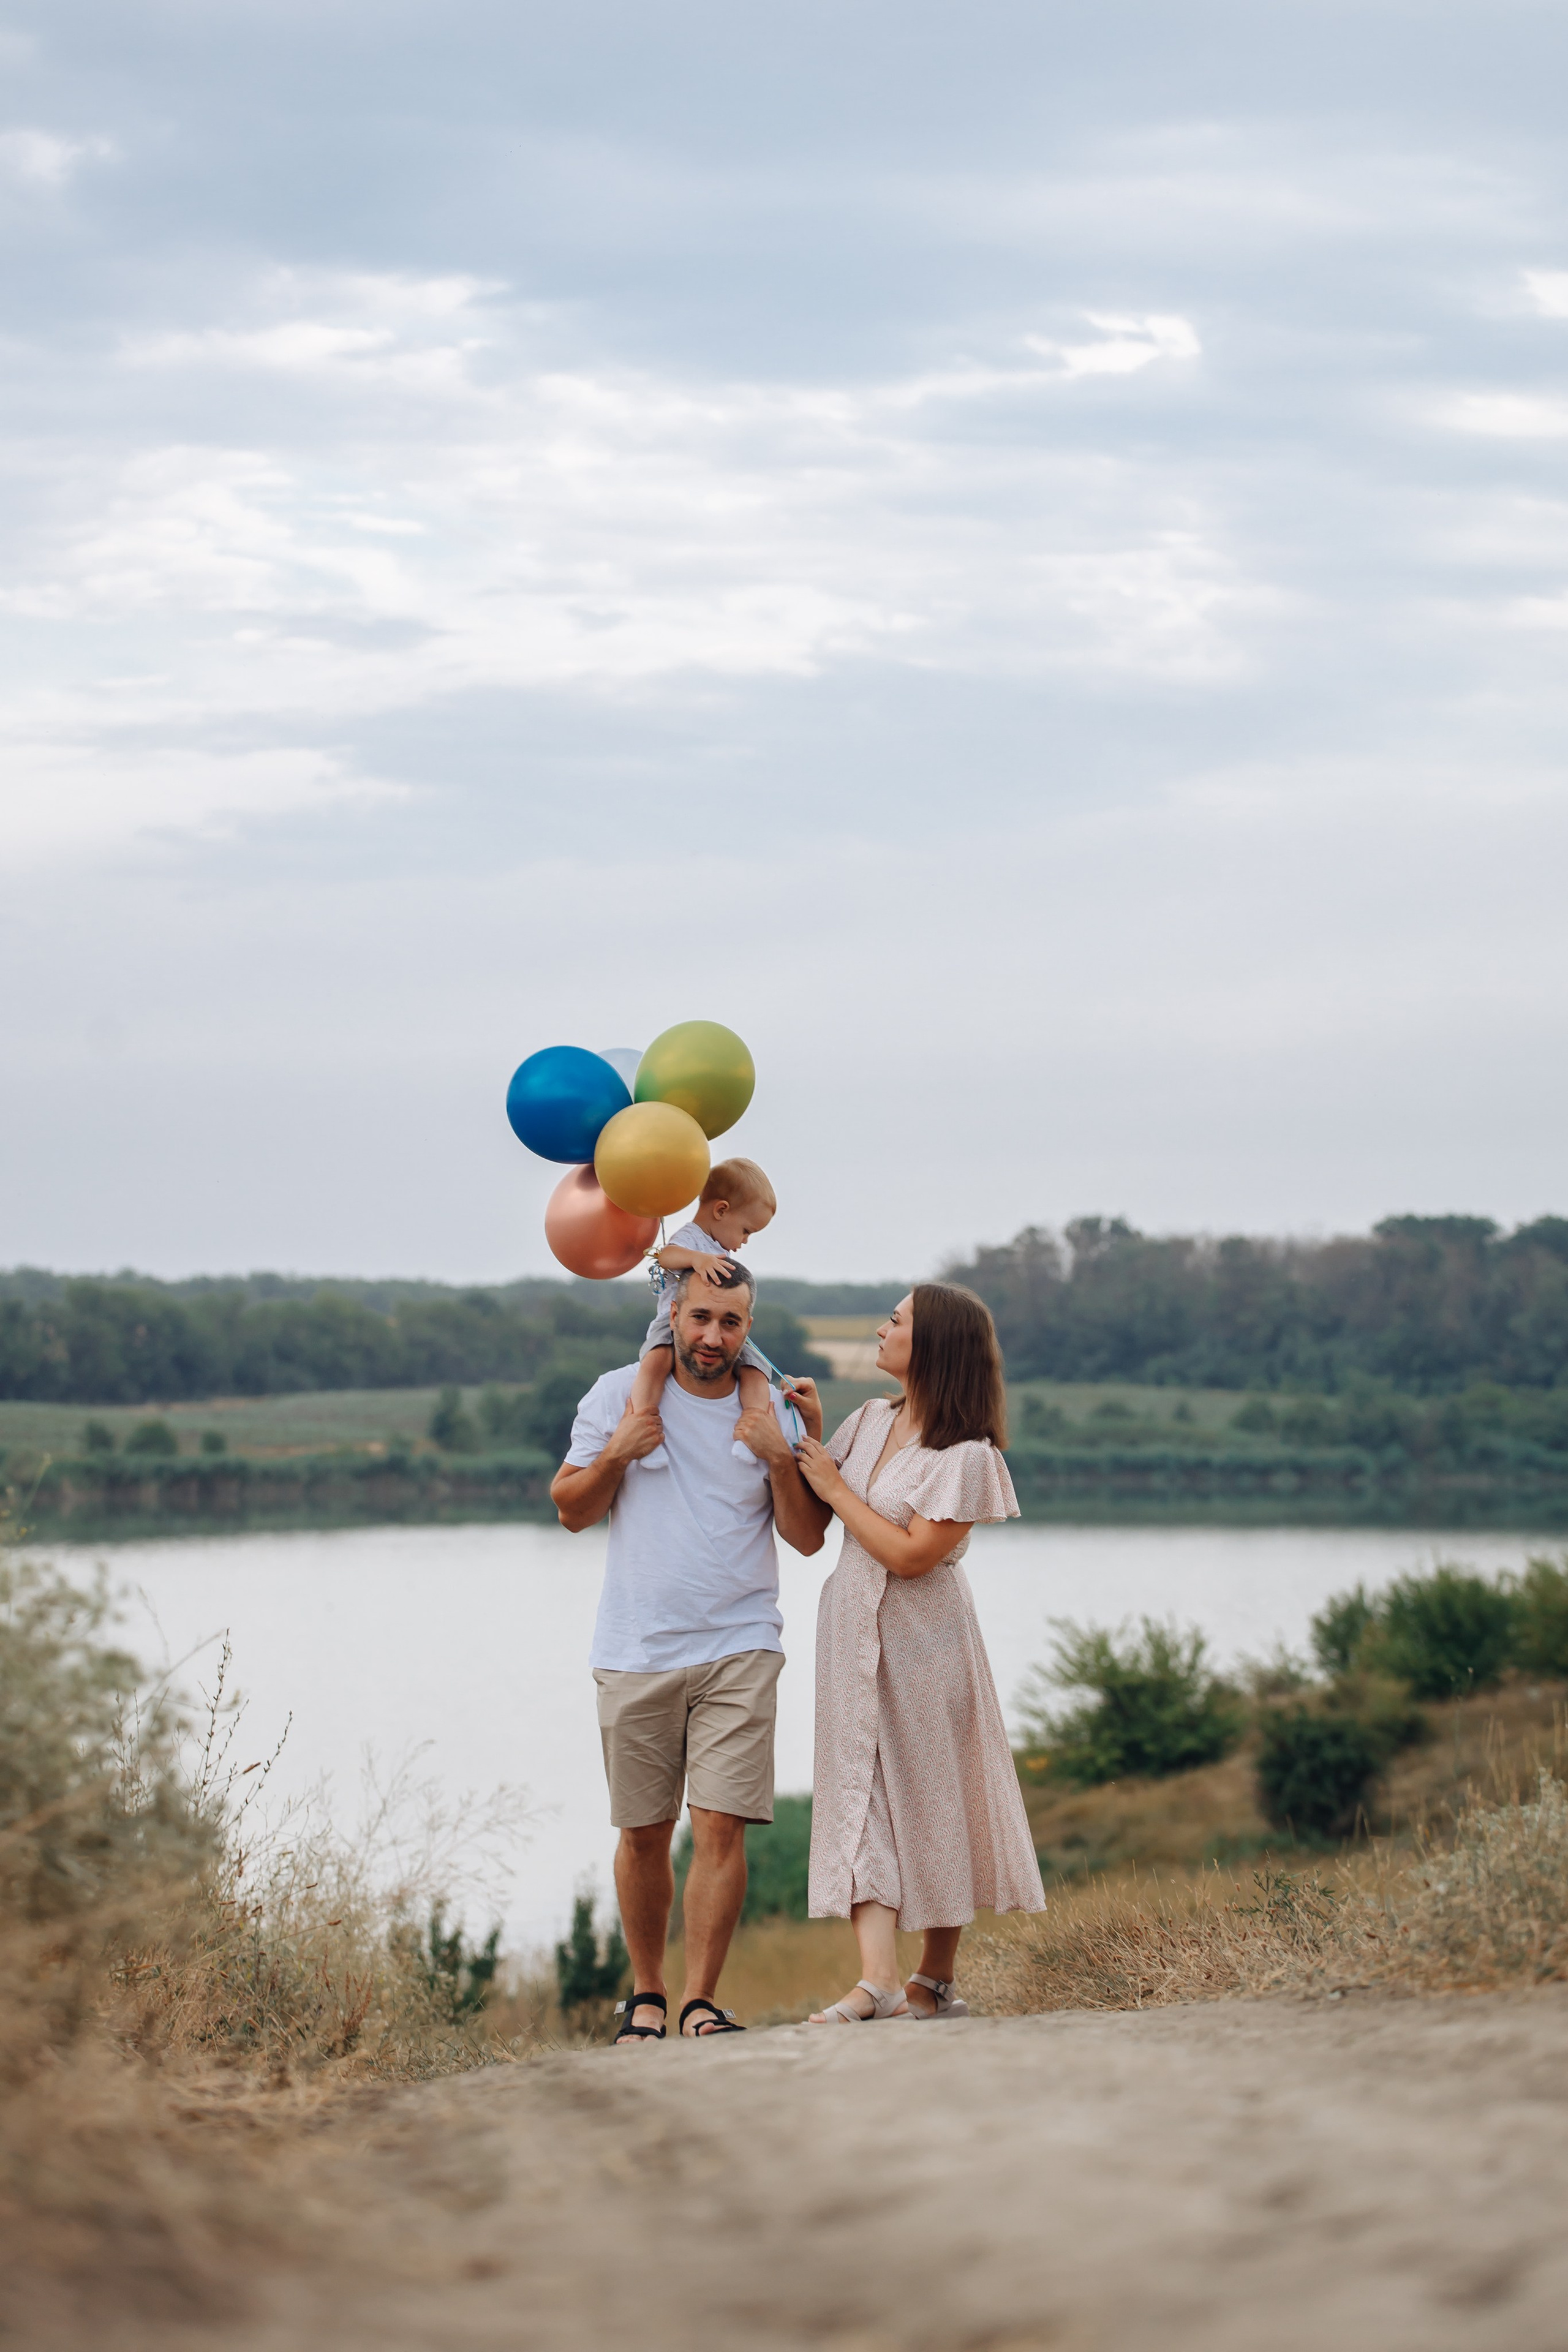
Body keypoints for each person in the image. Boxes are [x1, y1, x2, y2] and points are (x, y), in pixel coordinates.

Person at [551, 1262, 830, 2043]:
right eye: (701, 1318)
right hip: (635, 1646)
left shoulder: (772, 1407)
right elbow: (571, 1512)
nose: (713, 1337)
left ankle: (701, 2000)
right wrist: (616, 1454)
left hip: (741, 1642)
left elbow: (807, 1539)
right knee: (642, 1833)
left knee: (720, 1826)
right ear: (673, 1313)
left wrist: (781, 1454)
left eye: (731, 1324)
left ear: (749, 1330)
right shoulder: (616, 1395)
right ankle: (647, 1996)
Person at [794, 1283, 1046, 2023]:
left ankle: (933, 1980)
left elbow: (910, 1557)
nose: (879, 1329)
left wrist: (838, 1492)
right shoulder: (868, 1421)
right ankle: (876, 1981)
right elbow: (813, 1511)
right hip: (849, 1626)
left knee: (938, 1792)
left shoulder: (966, 1455)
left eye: (895, 1321)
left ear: (930, 1344)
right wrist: (806, 1430)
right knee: (856, 1789)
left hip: (926, 1638)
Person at [626, 1158, 783, 1469]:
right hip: (673, 1326)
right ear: (721, 1211)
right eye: (746, 1230)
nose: (745, 1241)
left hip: (716, 1329)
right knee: (654, 1364)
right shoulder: (692, 1238)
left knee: (756, 1368)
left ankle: (751, 1431)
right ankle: (644, 1429)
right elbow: (666, 1256)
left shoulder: (719, 1249)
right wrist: (697, 1260)